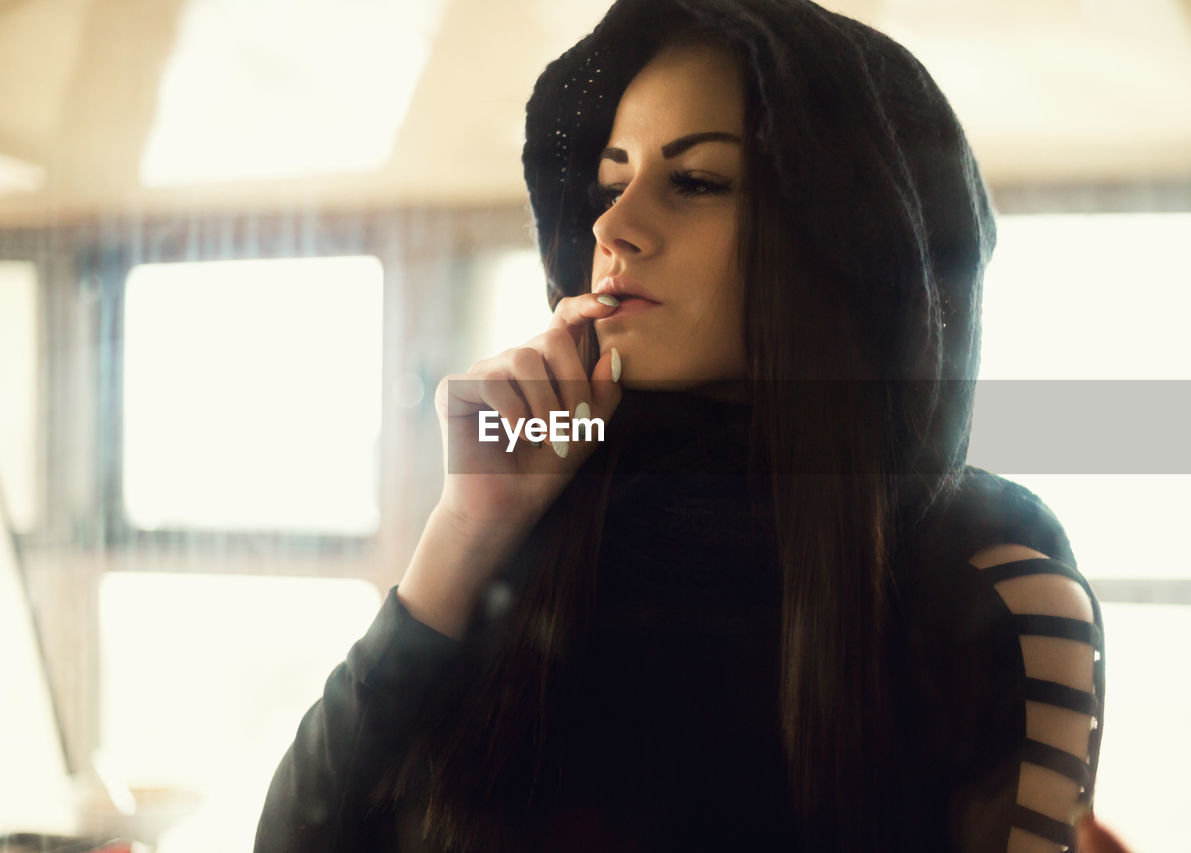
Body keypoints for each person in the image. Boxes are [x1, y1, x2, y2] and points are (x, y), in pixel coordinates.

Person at [254, 1, 1110, 851]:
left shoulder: (988, 582)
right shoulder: (532, 530)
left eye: (694, 181)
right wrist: (462, 533)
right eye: (608, 180)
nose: (611, 225)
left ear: (847, 236)